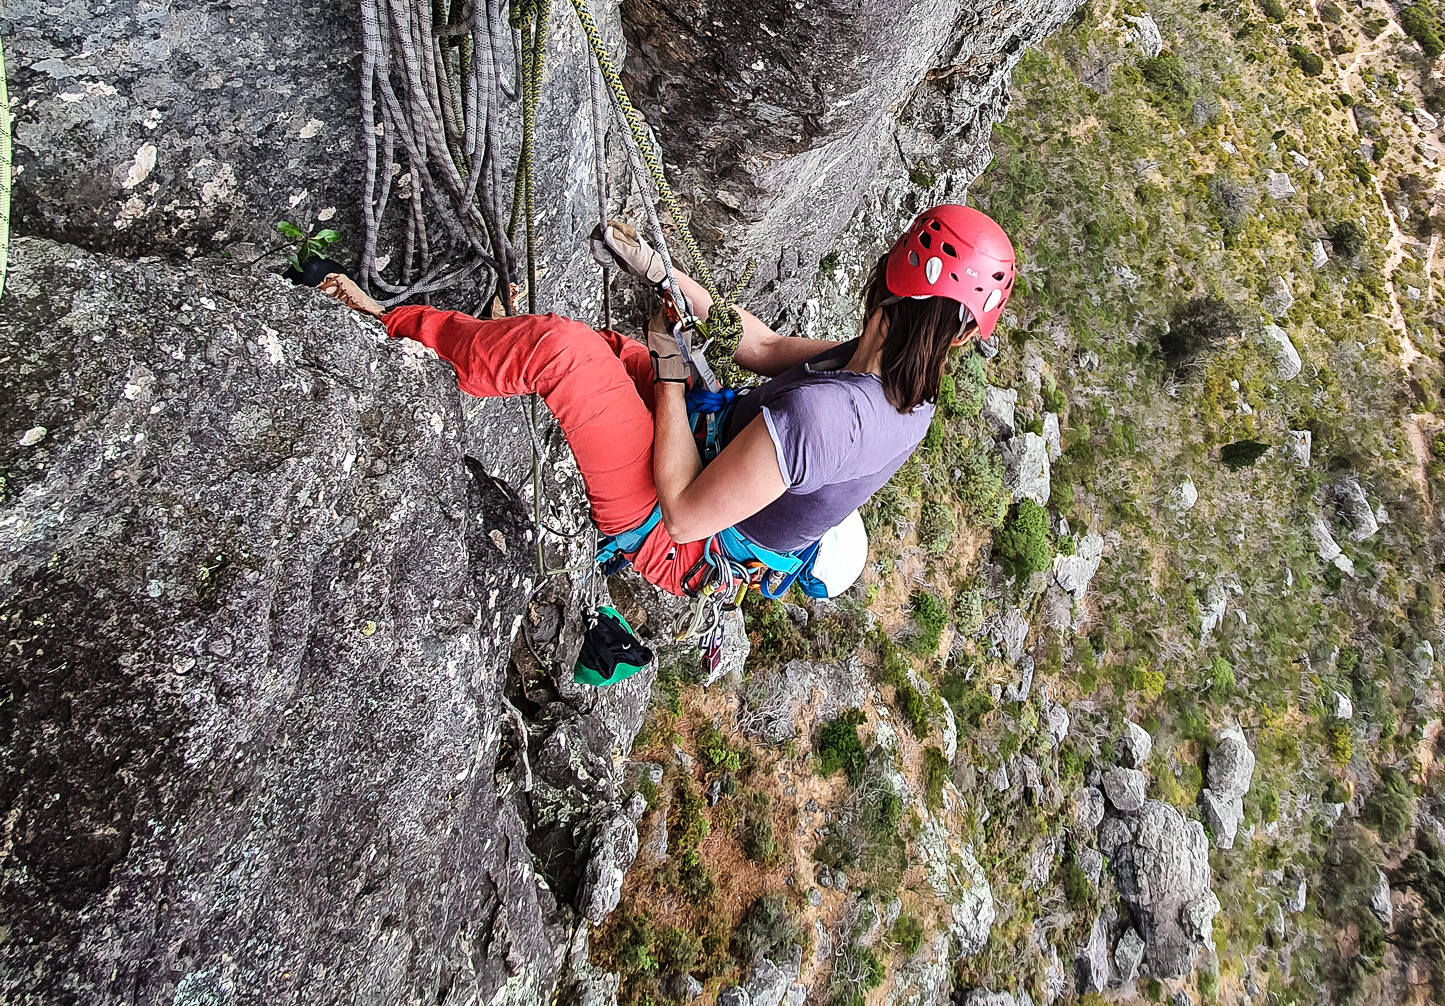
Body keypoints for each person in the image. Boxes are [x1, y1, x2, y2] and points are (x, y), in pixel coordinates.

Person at [320, 203, 1016, 685]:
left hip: (676, 529)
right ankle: (490, 341)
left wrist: (671, 368)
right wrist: (663, 276)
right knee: (604, 350)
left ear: (886, 277)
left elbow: (684, 509)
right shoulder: (899, 377)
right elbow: (766, 345)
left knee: (563, 353)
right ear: (961, 333)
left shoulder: (831, 422)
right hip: (709, 450)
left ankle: (393, 330)